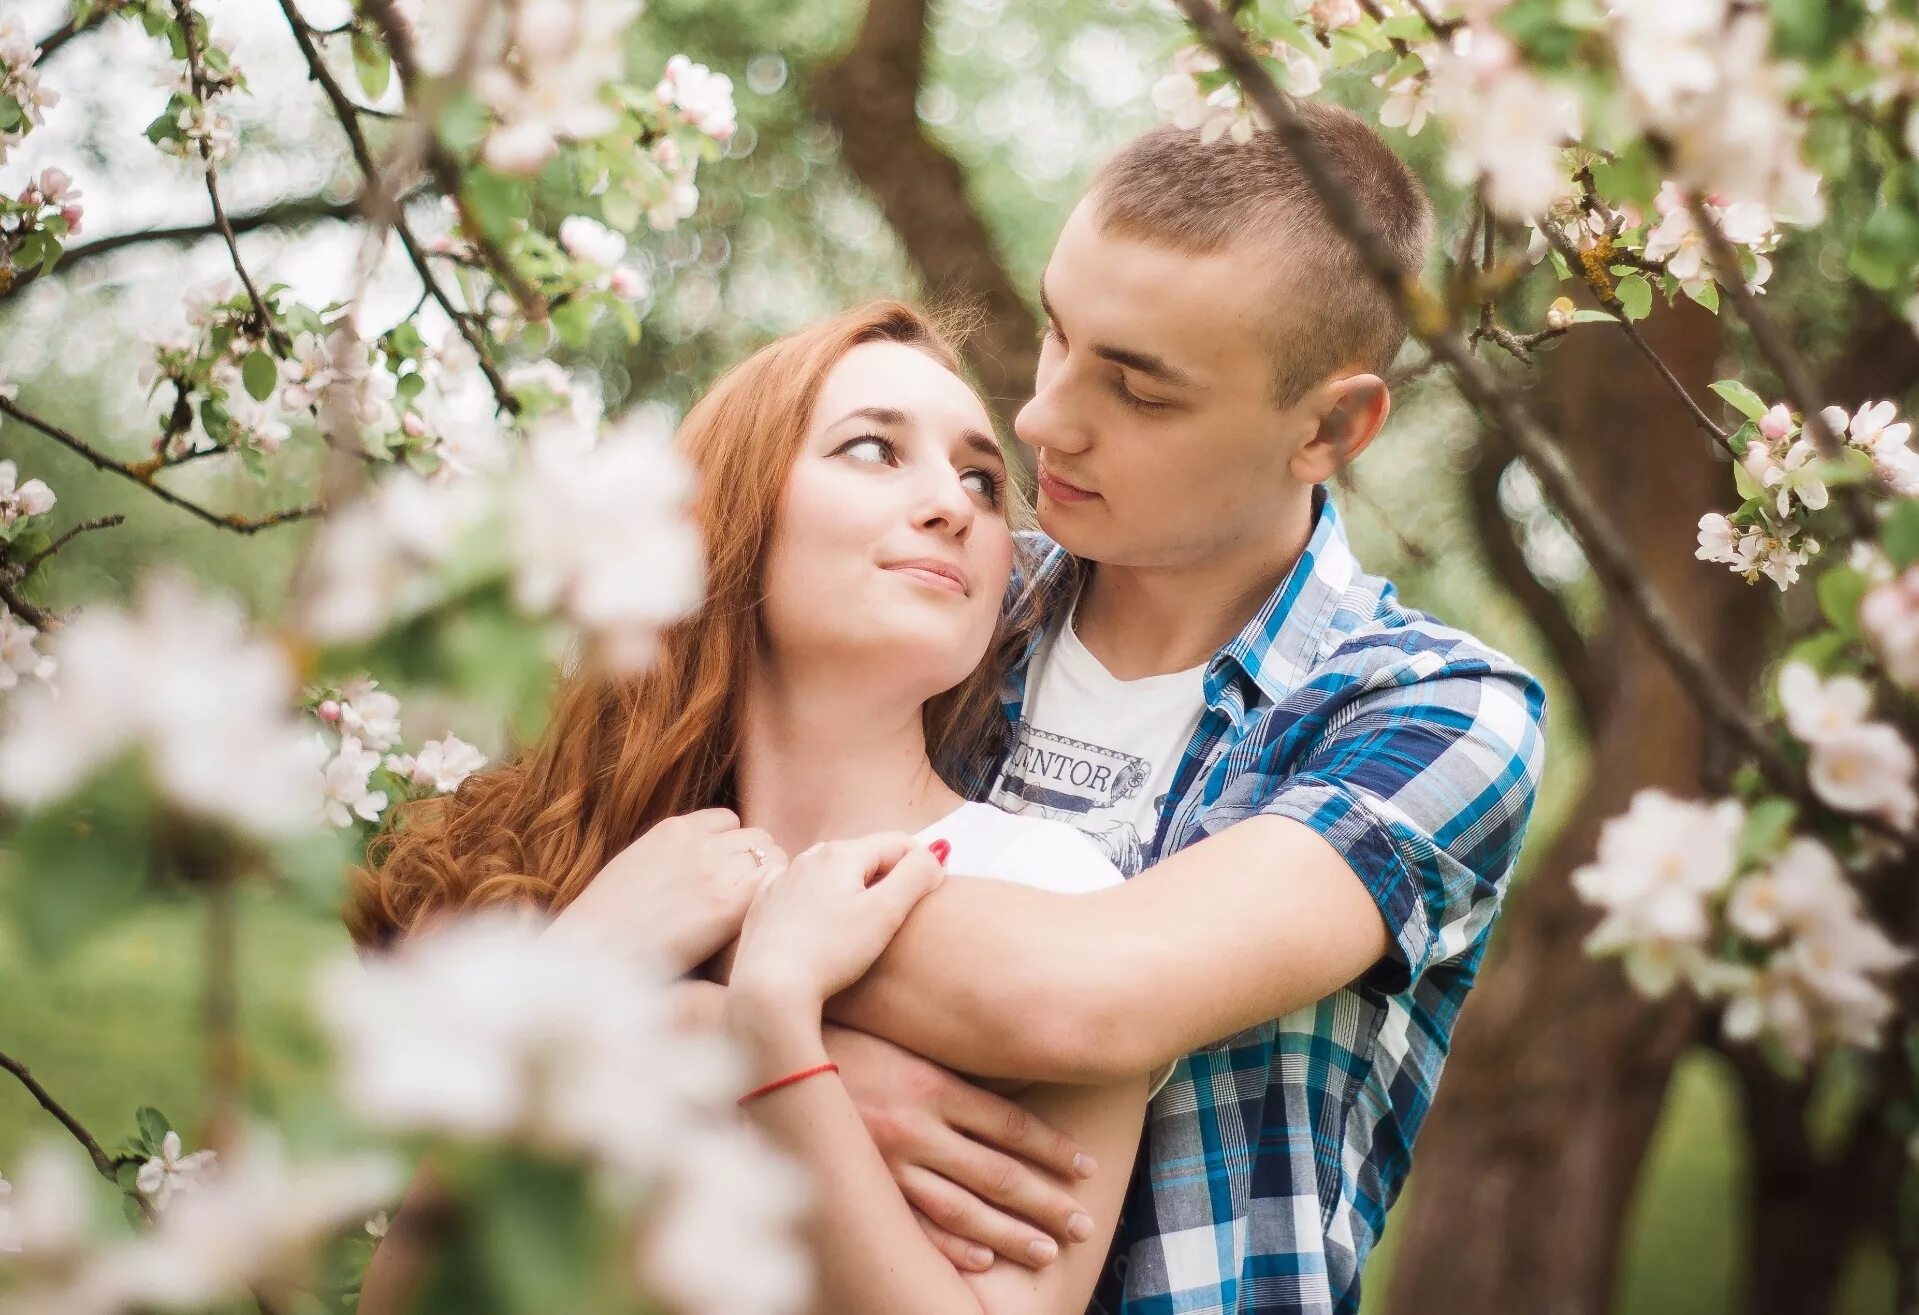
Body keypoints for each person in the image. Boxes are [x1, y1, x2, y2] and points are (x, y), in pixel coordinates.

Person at [688, 104, 1550, 1315]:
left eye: (1138, 390)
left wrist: (685, 968)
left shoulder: (1432, 713)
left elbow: (1077, 997)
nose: (1041, 418)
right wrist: (732, 1039)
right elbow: (565, 833)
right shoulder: (951, 595)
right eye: (1055, 334)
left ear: (1328, 427)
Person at [349, 301, 1163, 1313]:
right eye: (873, 450)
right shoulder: (588, 885)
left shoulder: (1051, 897)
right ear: (734, 509)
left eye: (980, 480)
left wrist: (768, 1022)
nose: (951, 506)